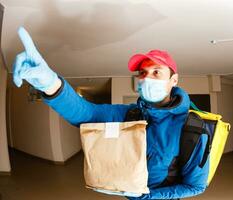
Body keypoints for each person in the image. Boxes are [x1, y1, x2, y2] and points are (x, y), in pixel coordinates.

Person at [13, 27, 209, 199]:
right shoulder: (128, 115)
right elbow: (86, 113)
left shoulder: (192, 128)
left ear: (173, 80)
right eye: (142, 73)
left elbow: (196, 186)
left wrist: (146, 197)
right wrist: (50, 84)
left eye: (156, 72)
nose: (147, 78)